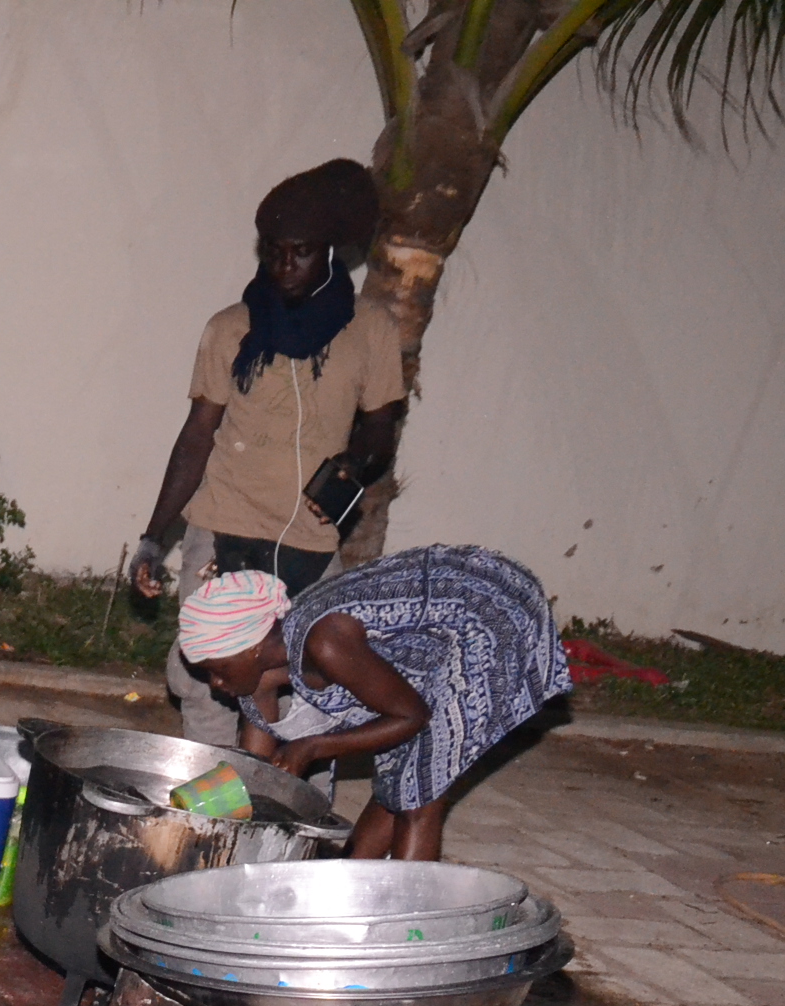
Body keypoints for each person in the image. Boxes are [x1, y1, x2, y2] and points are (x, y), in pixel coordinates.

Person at [131, 159, 408, 745]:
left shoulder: (370, 331)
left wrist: (354, 467)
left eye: (301, 252)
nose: (285, 266)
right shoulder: (231, 329)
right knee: (204, 679)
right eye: (274, 251)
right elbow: (196, 436)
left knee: (314, 682)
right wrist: (155, 537)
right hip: (222, 523)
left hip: (307, 534)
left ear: (330, 252)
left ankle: (288, 808)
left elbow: (382, 424)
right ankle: (206, 813)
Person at [176, 547, 571, 860]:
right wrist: (189, 824)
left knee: (422, 785)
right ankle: (347, 885)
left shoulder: (326, 641)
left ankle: (405, 928)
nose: (215, 683)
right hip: (442, 626)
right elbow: (257, 774)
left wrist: (312, 746)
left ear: (254, 646)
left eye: (218, 669)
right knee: (400, 770)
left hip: (492, 608)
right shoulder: (259, 673)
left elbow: (410, 716)